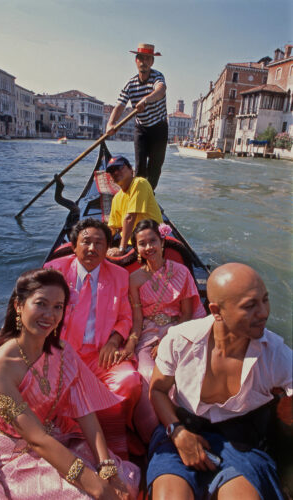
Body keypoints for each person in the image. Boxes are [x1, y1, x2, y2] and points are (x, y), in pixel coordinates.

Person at [0, 268, 140, 499]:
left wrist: (106, 467)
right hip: (19, 455)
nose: (50, 314)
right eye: (41, 304)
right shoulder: (0, 370)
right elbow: (37, 439)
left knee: (124, 481)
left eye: (58, 307)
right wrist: (96, 486)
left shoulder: (62, 351)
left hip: (60, 436)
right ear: (19, 306)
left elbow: (84, 410)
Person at [148, 262, 292, 500]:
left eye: (265, 300)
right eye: (250, 306)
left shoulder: (275, 351)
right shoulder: (179, 340)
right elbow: (158, 391)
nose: (264, 312)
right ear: (216, 311)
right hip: (181, 428)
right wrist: (177, 432)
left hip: (242, 440)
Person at [44, 218, 141, 459]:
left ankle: (113, 430)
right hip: (61, 352)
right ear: (74, 245)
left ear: (108, 248)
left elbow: (126, 317)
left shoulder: (119, 275)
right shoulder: (54, 271)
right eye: (85, 242)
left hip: (100, 353)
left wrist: (114, 340)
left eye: (99, 243)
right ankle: (78, 433)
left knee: (129, 381)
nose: (92, 248)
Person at [117, 219, 206, 443]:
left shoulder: (182, 272)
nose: (148, 248)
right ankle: (154, 433)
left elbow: (186, 314)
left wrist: (168, 341)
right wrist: (132, 342)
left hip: (178, 330)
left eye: (152, 241)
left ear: (162, 242)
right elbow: (137, 318)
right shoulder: (134, 279)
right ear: (136, 248)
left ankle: (187, 423)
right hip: (147, 334)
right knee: (147, 375)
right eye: (142, 243)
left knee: (182, 372)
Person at [106, 43, 168, 191]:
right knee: (140, 167)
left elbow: (161, 90)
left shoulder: (157, 77)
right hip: (141, 128)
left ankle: (149, 196)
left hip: (159, 128)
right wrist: (110, 124)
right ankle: (137, 196)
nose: (144, 62)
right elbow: (120, 105)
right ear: (136, 61)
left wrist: (146, 100)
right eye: (141, 58)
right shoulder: (131, 83)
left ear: (152, 62)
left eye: (148, 59)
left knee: (154, 168)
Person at [106, 156, 163, 257]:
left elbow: (129, 218)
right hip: (130, 241)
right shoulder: (116, 198)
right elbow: (112, 228)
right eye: (111, 171)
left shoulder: (139, 183)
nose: (115, 172)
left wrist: (121, 249)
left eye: (119, 168)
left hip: (147, 241)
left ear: (131, 170)